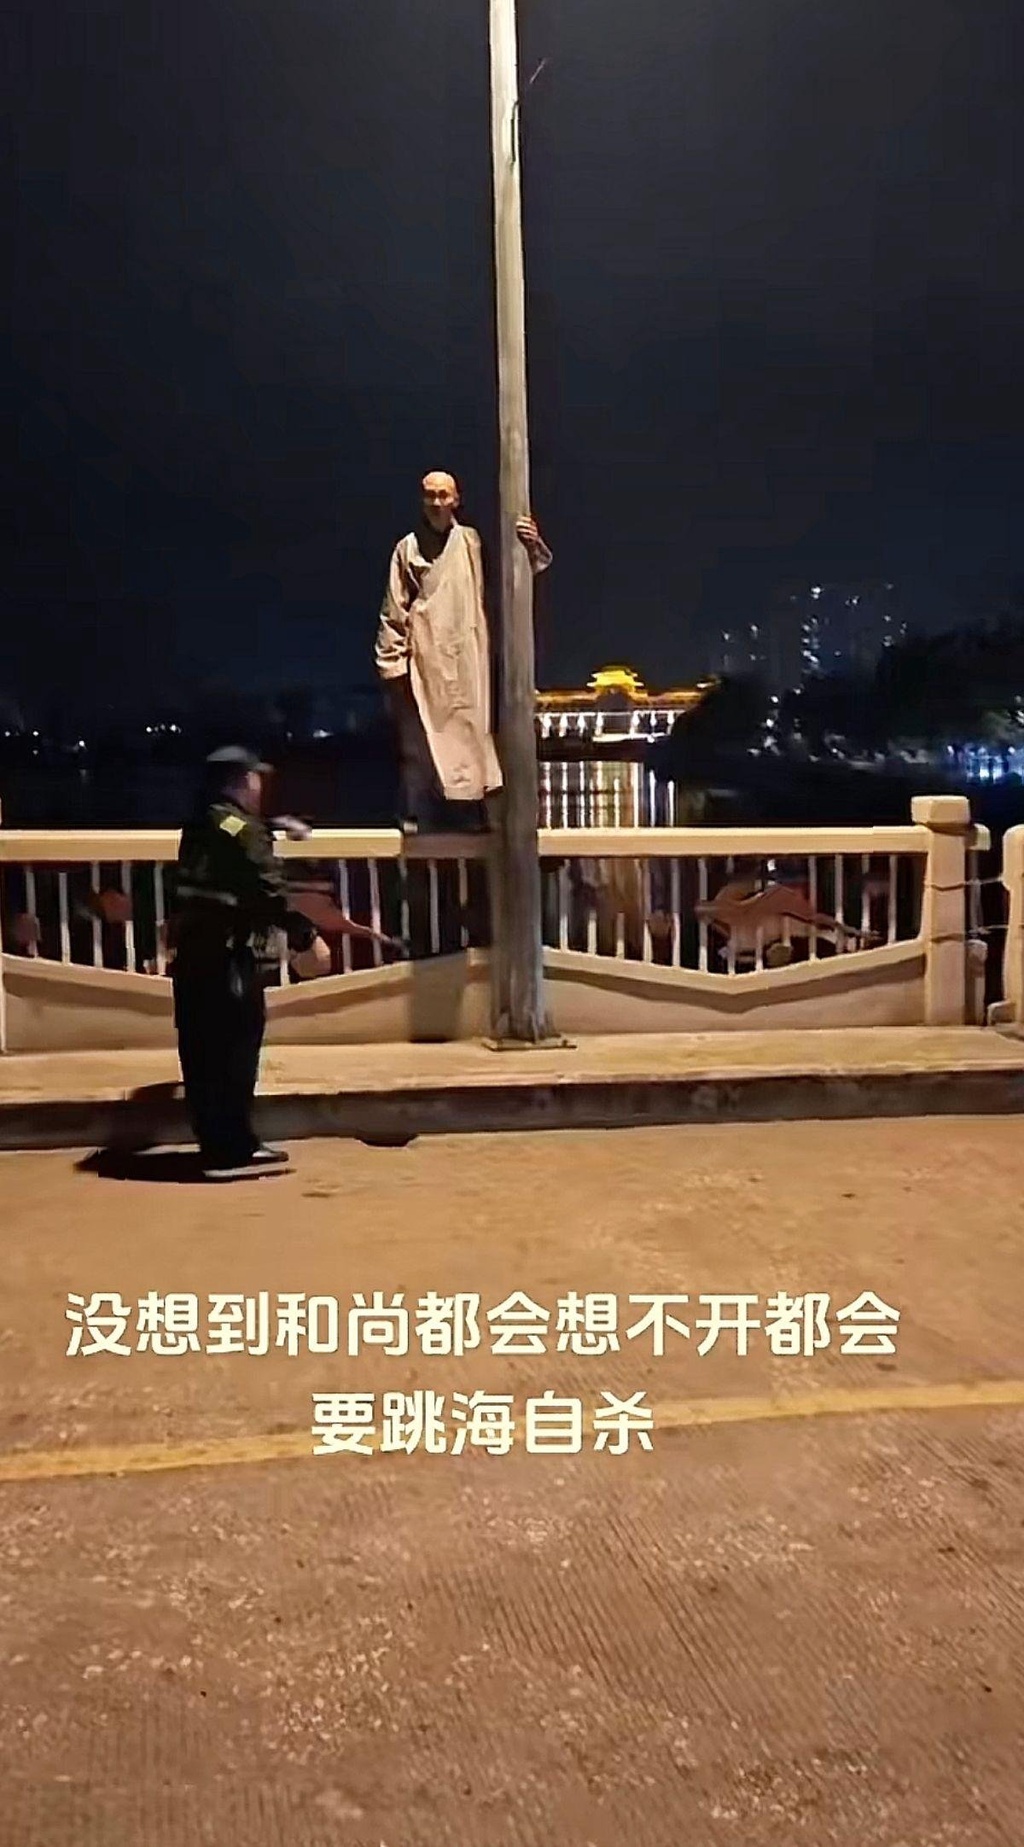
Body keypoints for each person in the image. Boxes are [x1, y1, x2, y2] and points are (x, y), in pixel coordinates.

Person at [170, 747, 330, 1181]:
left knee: (201, 1056)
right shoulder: (241, 831)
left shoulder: (200, 823)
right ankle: (233, 1149)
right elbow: (267, 889)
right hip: (228, 959)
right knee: (235, 1052)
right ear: (243, 781)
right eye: (256, 778)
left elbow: (230, 841)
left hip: (192, 956)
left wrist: (273, 826)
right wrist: (305, 936)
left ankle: (217, 1143)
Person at [375, 471, 552, 833]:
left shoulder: (472, 542)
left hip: (470, 656)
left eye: (443, 495)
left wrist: (530, 545)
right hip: (426, 659)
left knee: (474, 741)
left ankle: (476, 817)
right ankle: (420, 816)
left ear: (456, 500)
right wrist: (392, 666)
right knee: (423, 744)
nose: (437, 502)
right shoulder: (407, 549)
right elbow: (394, 612)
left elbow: (511, 579)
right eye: (430, 496)